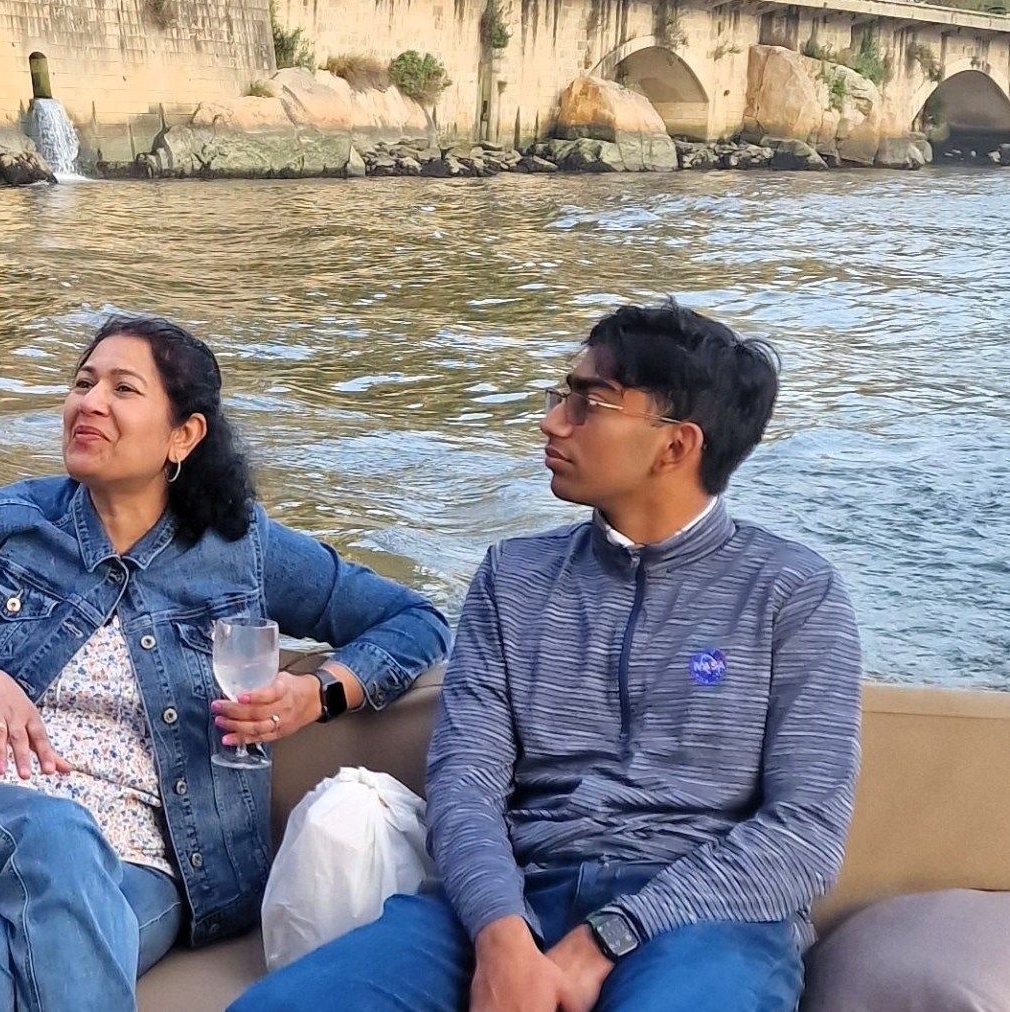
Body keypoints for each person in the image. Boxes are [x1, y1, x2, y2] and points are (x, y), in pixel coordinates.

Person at [233, 301, 863, 1012]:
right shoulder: (515, 578)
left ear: (677, 446)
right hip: (514, 897)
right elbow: (465, 783)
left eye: (587, 403)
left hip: (704, 920)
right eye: (560, 396)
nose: (552, 421)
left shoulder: (792, 595)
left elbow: (804, 835)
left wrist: (608, 938)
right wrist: (501, 941)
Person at [0, 314, 452, 1010]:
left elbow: (417, 620)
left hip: (139, 862)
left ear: (184, 435)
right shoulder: (7, 525)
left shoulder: (241, 548)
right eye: (83, 383)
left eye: (123, 388)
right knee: (51, 829)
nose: (91, 403)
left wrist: (318, 694)